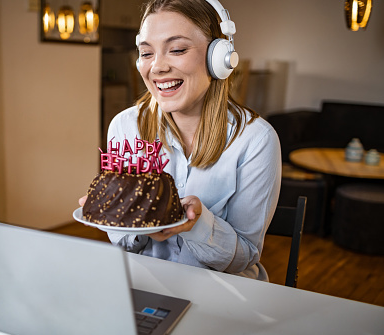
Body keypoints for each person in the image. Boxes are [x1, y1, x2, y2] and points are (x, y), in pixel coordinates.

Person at [80, 0, 281, 280]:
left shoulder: (256, 140)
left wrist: (197, 225)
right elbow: (125, 246)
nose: (157, 67)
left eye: (177, 50)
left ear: (219, 57)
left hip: (224, 295)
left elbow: (243, 258)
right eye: (147, 53)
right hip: (147, 286)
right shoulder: (125, 127)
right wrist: (120, 213)